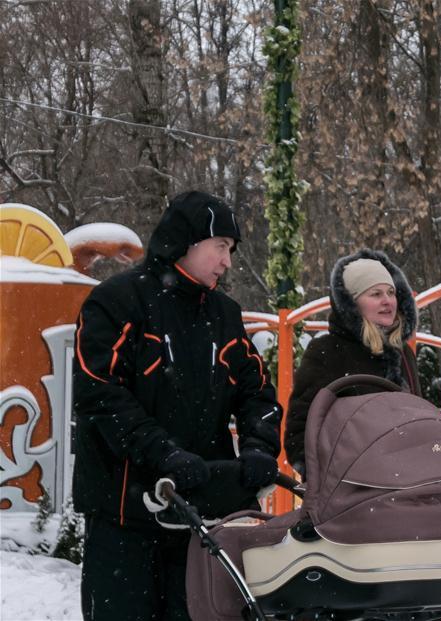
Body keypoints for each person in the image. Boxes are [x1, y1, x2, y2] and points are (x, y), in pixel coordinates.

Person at [72, 190, 282, 621]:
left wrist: (261, 447)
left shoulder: (224, 314)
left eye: (231, 250)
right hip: (125, 513)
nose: (227, 261)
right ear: (187, 242)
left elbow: (257, 391)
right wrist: (162, 453)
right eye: (221, 247)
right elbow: (99, 392)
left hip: (204, 515)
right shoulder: (118, 302)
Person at [284, 249, 421, 475]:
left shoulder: (403, 354)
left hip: (408, 483)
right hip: (354, 489)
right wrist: (331, 478)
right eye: (375, 294)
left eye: (391, 292)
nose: (387, 301)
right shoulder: (327, 352)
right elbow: (300, 432)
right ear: (354, 304)